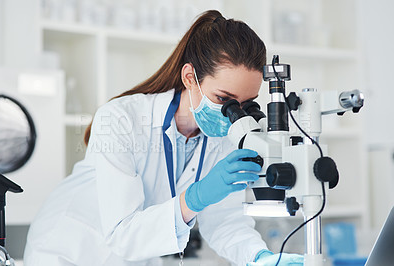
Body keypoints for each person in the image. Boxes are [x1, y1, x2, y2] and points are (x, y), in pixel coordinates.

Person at [24, 10, 303, 266]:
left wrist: (259, 256)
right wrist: (194, 198)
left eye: (246, 104)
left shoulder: (228, 135)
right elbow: (123, 232)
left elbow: (224, 222)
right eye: (224, 100)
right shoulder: (121, 118)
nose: (235, 115)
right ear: (190, 77)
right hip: (69, 251)